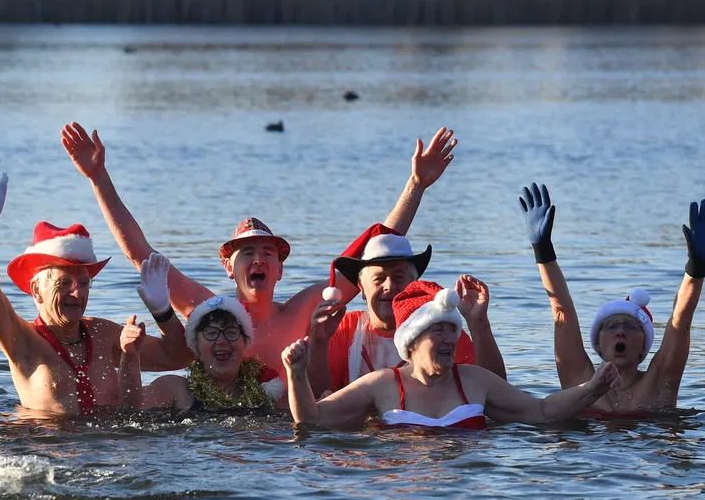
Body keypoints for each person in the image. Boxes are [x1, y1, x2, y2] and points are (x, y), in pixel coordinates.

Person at [60, 121, 458, 374]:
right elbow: (141, 255)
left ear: (281, 270)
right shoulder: (207, 309)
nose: (259, 259)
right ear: (228, 268)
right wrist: (98, 178)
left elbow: (371, 256)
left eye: (268, 253)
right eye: (247, 253)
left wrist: (416, 185)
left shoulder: (305, 309)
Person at [0, 161, 193, 416]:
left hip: (107, 447)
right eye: (64, 283)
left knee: (176, 387)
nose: (78, 293)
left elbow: (179, 357)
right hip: (46, 447)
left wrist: (162, 310)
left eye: (84, 283)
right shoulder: (22, 340)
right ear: (37, 290)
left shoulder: (103, 334)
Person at [281, 280, 620, 429]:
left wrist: (592, 389)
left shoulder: (474, 381)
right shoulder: (381, 385)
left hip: (463, 496)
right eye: (436, 330)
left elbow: (542, 411)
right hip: (403, 489)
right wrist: (296, 374)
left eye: (451, 330)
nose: (448, 339)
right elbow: (311, 420)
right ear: (411, 342)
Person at [519, 184, 705, 414]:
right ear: (597, 344)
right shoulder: (580, 380)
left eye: (630, 326)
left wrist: (696, 267)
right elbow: (561, 312)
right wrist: (542, 248)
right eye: (612, 325)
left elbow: (681, 319)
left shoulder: (660, 381)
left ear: (642, 347)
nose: (620, 332)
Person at [306, 223, 505, 396]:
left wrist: (478, 323)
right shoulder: (347, 329)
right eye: (379, 279)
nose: (389, 286)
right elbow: (318, 405)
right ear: (362, 288)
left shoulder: (442, 329)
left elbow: (497, 395)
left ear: (414, 285)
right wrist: (319, 344)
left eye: (399, 278)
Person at [122, 295, 285, 413]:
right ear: (197, 346)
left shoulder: (268, 390)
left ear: (244, 342)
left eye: (231, 332)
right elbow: (133, 406)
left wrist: (297, 372)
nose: (221, 341)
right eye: (212, 333)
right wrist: (129, 356)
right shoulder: (177, 390)